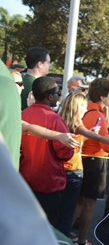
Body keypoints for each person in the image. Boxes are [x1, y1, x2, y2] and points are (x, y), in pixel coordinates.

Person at [58, 92, 109, 236]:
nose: (85, 110)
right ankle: (73, 240)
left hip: (66, 168)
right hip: (74, 169)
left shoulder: (62, 121)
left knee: (67, 208)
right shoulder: (77, 123)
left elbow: (78, 142)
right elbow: (99, 140)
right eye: (83, 107)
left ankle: (64, 237)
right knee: (73, 208)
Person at [74, 77, 109, 245]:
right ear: (103, 97)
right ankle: (81, 241)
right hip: (95, 162)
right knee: (89, 203)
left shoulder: (89, 112)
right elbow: (107, 146)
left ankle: (68, 237)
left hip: (86, 161)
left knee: (80, 202)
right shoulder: (97, 115)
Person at [20, 77, 74, 229]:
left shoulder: (23, 114)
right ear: (50, 96)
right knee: (48, 229)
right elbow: (65, 153)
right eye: (57, 92)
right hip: (49, 184)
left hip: (25, 180)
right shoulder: (54, 119)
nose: (58, 95)